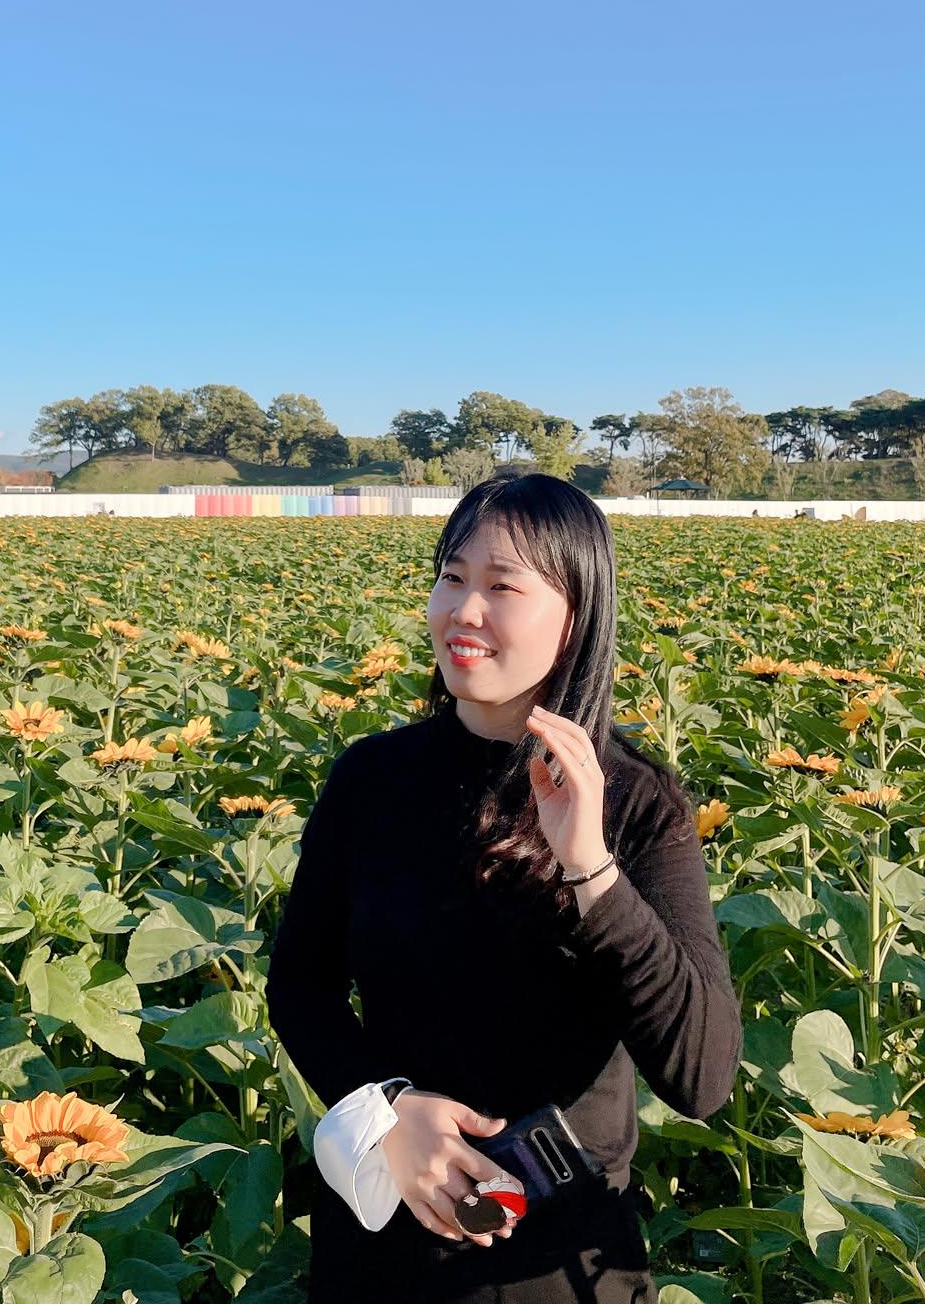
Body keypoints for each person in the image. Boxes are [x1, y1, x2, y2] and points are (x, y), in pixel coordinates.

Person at [266, 474, 743, 1302]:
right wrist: (390, 1107)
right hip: (385, 1242)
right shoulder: (372, 779)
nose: (464, 611)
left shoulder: (636, 804)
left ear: (575, 617)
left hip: (558, 1259)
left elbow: (702, 1077)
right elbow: (300, 987)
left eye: (502, 587)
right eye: (451, 578)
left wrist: (590, 865)